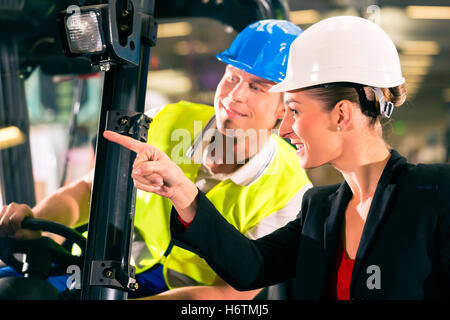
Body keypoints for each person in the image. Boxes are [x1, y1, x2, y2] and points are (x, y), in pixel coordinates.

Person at [103, 16, 450, 299]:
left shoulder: (435, 194)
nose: (283, 130)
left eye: (294, 111)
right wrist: (182, 192)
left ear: (342, 115)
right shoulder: (320, 208)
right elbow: (251, 267)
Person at [0, 19, 312, 299]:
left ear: (285, 108)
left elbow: (228, 294)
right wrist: (37, 225)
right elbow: (88, 190)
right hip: (105, 268)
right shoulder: (165, 120)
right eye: (232, 77)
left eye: (257, 86)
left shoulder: (290, 193)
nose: (234, 95)